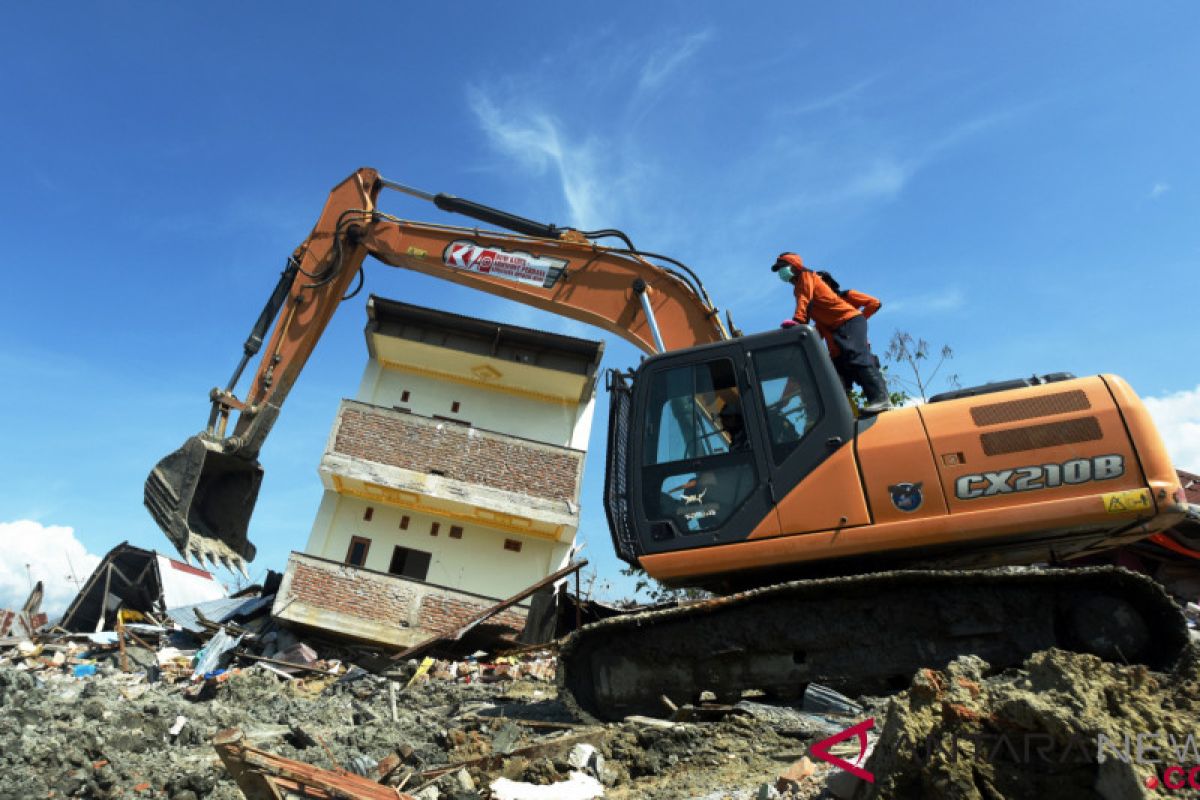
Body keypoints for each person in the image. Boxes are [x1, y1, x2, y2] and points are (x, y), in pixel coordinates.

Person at [771, 252, 892, 413]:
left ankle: (881, 399)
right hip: (839, 330)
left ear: (794, 266)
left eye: (782, 268)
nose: (781, 272)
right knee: (835, 372)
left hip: (849, 322)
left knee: (856, 355)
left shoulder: (806, 276)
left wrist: (799, 321)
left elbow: (804, 300)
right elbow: (817, 330)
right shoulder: (820, 312)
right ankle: (842, 412)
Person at [815, 270, 883, 394]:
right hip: (837, 356)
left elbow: (874, 303)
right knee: (838, 393)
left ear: (828, 283)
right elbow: (817, 334)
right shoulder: (819, 310)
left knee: (870, 384)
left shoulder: (846, 296)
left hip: (856, 349)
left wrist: (853, 321)